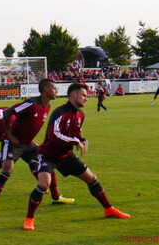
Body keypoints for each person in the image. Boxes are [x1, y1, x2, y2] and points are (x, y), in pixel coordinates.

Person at [23, 83, 130, 231]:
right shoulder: (59, 112)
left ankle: (109, 209)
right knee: (43, 184)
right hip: (48, 155)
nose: (87, 98)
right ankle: (29, 219)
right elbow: (54, 135)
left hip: (66, 155)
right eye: (84, 95)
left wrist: (83, 139)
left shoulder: (81, 115)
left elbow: (77, 133)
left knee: (92, 178)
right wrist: (75, 141)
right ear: (74, 95)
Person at [0, 97, 73, 205]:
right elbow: (21, 120)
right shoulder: (5, 109)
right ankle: (54, 196)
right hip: (25, 142)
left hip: (12, 145)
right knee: (44, 162)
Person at [0, 79, 57, 218]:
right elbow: (8, 112)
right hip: (13, 143)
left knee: (48, 161)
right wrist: (9, 134)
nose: (56, 90)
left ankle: (56, 198)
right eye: (54, 88)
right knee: (7, 170)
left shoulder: (48, 106)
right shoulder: (31, 103)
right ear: (45, 89)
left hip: (29, 144)